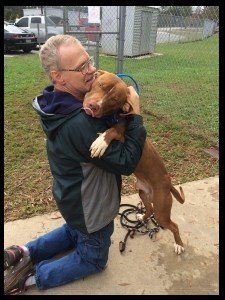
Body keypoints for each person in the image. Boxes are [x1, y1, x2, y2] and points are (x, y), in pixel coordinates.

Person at [4, 34, 146, 295]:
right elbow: (126, 162)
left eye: (89, 61)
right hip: (91, 209)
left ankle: (23, 251)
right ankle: (29, 278)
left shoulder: (53, 102)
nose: (91, 69)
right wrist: (135, 117)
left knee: (73, 231)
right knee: (93, 258)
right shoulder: (82, 124)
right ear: (58, 76)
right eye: (81, 67)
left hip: (70, 197)